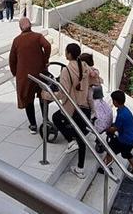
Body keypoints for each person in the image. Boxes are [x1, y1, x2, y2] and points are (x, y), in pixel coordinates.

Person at [53, 43, 92, 179]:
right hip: (85, 106)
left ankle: (71, 141)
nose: (65, 53)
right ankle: (79, 164)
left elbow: (63, 93)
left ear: (69, 54)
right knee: (81, 136)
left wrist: (47, 95)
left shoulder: (66, 71)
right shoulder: (85, 67)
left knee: (56, 118)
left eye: (66, 51)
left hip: (73, 108)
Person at [8, 18, 52, 134]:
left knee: (28, 99)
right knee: (43, 96)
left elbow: (12, 59)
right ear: (31, 25)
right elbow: (47, 46)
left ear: (20, 27)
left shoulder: (16, 40)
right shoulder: (38, 36)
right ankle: (45, 120)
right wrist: (45, 60)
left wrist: (15, 73)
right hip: (40, 72)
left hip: (25, 75)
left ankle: (33, 125)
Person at [102, 90, 133, 176]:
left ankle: (107, 168)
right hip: (132, 138)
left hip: (125, 140)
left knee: (111, 149)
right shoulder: (125, 110)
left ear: (115, 102)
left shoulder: (121, 115)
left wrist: (105, 128)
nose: (113, 102)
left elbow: (114, 129)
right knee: (126, 153)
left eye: (113, 100)